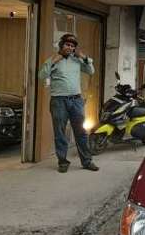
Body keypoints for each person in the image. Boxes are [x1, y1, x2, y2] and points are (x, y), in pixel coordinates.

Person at [38, 33, 99, 173]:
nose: (69, 47)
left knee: (81, 132)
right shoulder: (53, 60)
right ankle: (63, 161)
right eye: (67, 45)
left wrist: (83, 57)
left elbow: (91, 70)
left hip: (76, 100)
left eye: (72, 46)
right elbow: (42, 75)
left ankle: (87, 161)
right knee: (60, 132)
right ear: (61, 45)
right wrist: (53, 61)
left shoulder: (76, 60)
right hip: (59, 101)